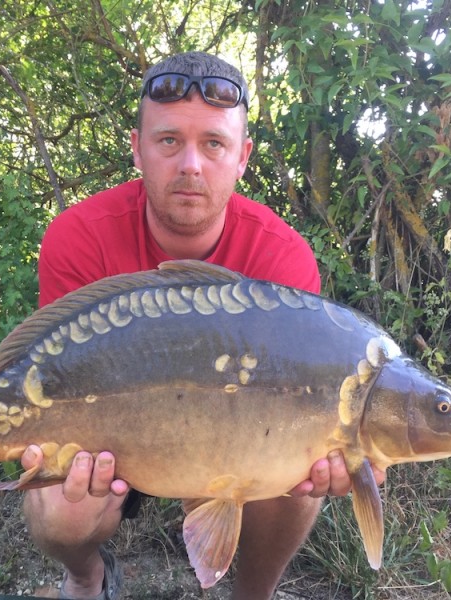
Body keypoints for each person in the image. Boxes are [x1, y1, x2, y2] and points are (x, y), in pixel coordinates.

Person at [21, 51, 385, 600]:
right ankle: (86, 577)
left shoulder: (281, 256)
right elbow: (47, 376)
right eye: (169, 141)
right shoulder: (79, 235)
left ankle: (251, 596)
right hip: (116, 439)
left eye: (213, 144)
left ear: (242, 157)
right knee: (59, 510)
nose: (191, 164)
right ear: (137, 147)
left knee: (302, 470)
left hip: (237, 443)